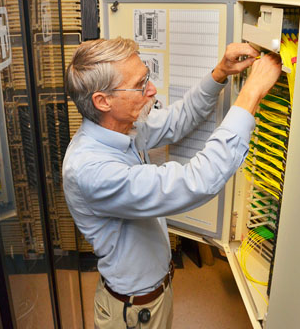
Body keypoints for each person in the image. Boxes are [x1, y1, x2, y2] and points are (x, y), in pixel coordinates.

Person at [63, 37, 281, 329]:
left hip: (151, 295)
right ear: (103, 101)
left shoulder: (122, 129)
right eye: (141, 84)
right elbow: (197, 181)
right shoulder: (91, 170)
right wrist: (252, 92)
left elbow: (178, 119)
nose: (151, 90)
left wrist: (220, 73)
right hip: (135, 313)